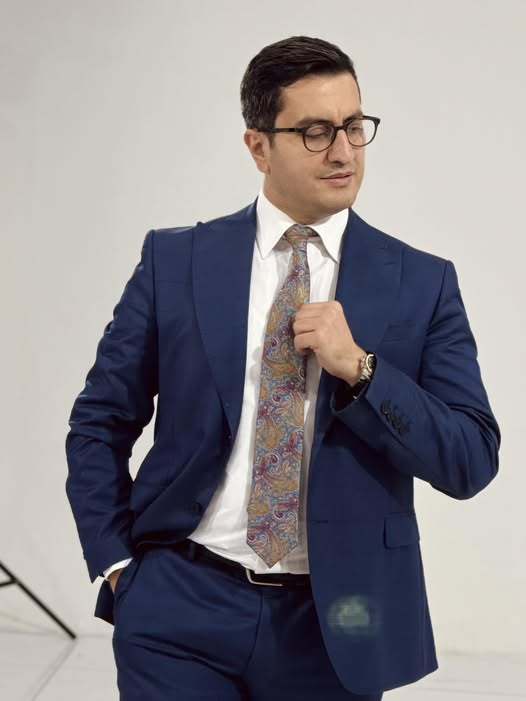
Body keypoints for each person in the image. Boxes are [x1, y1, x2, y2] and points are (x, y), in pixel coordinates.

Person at [65, 36, 500, 701]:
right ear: (259, 147)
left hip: (338, 623)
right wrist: (118, 563)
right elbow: (100, 420)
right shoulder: (176, 262)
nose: (344, 151)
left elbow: (470, 457)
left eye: (354, 126)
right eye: (316, 132)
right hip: (180, 600)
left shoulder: (422, 283)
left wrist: (362, 370)